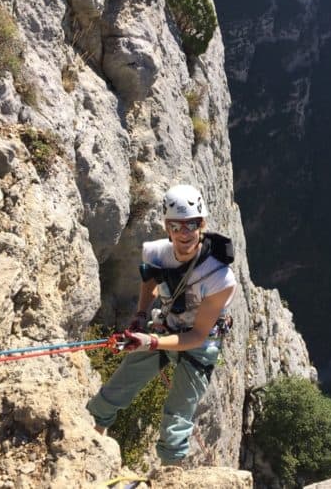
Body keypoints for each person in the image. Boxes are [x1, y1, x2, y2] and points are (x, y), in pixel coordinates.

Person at [87, 184, 237, 465]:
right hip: (164, 328)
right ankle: (89, 455)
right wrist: (141, 316)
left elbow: (196, 336)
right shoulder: (155, 253)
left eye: (191, 224)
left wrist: (151, 341)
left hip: (198, 345)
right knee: (110, 395)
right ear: (167, 226)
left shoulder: (220, 277)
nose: (184, 233)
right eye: (176, 226)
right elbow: (150, 286)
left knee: (176, 422)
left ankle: (170, 477)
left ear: (201, 224)